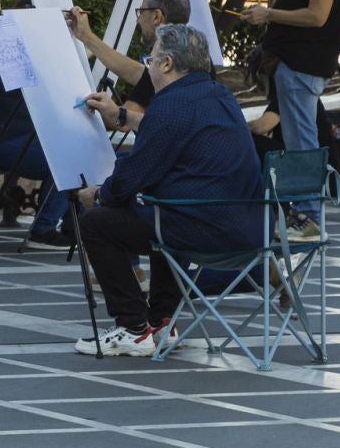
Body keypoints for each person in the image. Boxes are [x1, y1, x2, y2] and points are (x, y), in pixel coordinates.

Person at [76, 25, 264, 357]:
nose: (147, 66)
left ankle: (133, 328)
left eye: (150, 58)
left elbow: (133, 176)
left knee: (98, 224)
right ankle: (162, 319)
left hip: (205, 230)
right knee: (161, 211)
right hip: (250, 226)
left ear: (166, 64)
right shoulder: (218, 95)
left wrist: (100, 196)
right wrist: (118, 114)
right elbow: (169, 130)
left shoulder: (170, 106)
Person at [242, 0, 340, 243]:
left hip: (303, 65)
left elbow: (318, 16)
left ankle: (309, 218)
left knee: (302, 142)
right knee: (299, 139)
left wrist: (270, 14)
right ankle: (304, 214)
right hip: (296, 65)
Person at [65, 0, 193, 133]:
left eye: (141, 12)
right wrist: (87, 37)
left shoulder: (163, 67)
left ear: (156, 17)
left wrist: (94, 105)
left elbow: (123, 123)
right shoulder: (194, 54)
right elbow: (135, 72)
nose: (138, 19)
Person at [0, 56, 73, 248]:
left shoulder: (32, 54)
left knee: (77, 154)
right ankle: (42, 231)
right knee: (65, 163)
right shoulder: (10, 57)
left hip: (19, 136)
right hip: (0, 140)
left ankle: (74, 227)